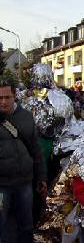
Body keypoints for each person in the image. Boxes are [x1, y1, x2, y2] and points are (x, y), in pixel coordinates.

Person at [0, 74, 47, 242]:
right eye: (0, 98)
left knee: (26, 225)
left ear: (14, 97)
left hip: (24, 183)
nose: (3, 101)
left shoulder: (26, 116)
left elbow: (36, 149)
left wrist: (41, 177)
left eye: (7, 97)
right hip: (1, 186)